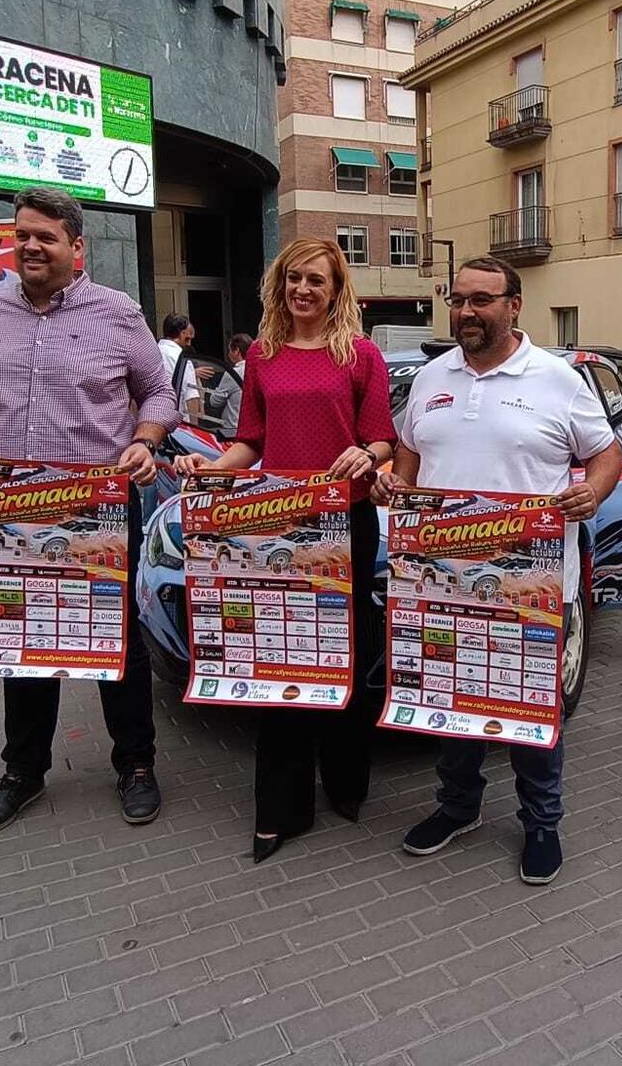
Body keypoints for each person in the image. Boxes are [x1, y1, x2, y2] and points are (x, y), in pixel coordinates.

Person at [0, 186, 179, 836]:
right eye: (23, 235)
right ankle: (23, 772)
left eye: (45, 236)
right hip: (12, 507)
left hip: (95, 509)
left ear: (77, 245)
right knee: (22, 641)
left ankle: (137, 765)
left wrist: (144, 442)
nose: (31, 246)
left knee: (115, 642)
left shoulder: (118, 313)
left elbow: (156, 394)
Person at [373, 257, 622, 886]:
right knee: (451, 705)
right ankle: (458, 809)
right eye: (457, 300)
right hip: (440, 583)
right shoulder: (432, 377)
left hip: (528, 585)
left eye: (482, 300)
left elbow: (606, 453)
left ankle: (542, 825)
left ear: (515, 306)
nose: (466, 312)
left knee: (530, 712)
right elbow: (409, 455)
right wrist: (392, 485)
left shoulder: (557, 379)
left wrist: (592, 492)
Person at [173, 239, 395, 863]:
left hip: (345, 523)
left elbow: (382, 438)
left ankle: (346, 786)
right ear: (281, 285)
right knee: (279, 661)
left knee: (344, 657)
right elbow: (250, 442)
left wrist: (366, 453)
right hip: (276, 527)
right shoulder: (264, 359)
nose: (304, 290)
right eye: (294, 279)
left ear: (335, 290)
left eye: (316, 281)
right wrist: (212, 469)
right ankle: (281, 807)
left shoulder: (362, 356)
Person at [203, 332, 251, 441]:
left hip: (233, 430)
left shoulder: (233, 373)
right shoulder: (257, 370)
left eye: (230, 350)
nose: (228, 354)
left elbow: (215, 401)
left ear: (237, 351)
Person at [157, 314, 203, 422]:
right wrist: (195, 429)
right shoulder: (182, 359)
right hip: (178, 424)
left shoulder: (151, 352)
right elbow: (191, 397)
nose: (189, 343)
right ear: (182, 334)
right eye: (188, 337)